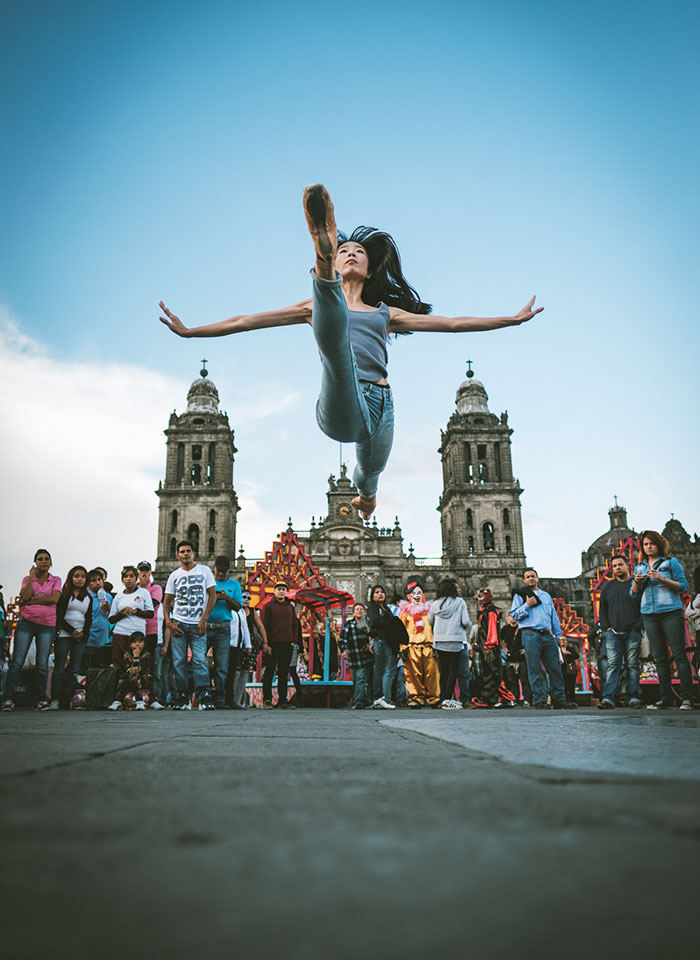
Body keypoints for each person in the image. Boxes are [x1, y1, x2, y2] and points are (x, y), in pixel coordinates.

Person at [159, 184, 543, 519]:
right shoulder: (310, 307)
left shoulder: (386, 313)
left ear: (370, 268)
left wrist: (511, 320)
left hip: (379, 405)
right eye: (343, 250)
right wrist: (191, 332)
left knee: (369, 471)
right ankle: (320, 257)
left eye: (359, 251)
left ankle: (368, 496)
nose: (353, 253)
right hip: (338, 399)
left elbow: (454, 324)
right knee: (337, 347)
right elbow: (246, 321)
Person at [632, 530, 693, 710]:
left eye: (652, 543)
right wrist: (636, 581)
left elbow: (683, 586)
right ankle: (665, 698)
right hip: (648, 613)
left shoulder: (670, 562)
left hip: (670, 611)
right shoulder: (639, 567)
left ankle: (687, 698)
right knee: (659, 658)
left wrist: (661, 578)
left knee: (679, 654)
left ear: (658, 544)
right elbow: (633, 593)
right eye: (645, 544)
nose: (649, 547)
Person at [2, 549, 61, 711]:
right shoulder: (27, 579)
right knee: (17, 661)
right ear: (35, 562)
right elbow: (25, 596)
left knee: (42, 663)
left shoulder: (56, 580)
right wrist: (30, 578)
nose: (43, 561)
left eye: (46, 559)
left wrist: (31, 602)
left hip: (47, 624)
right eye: (40, 559)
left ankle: (40, 700)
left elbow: (54, 599)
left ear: (50, 562)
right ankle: (7, 699)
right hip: (26, 622)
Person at [163, 540, 218, 710]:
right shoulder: (174, 575)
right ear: (177, 555)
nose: (185, 554)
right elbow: (167, 601)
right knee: (179, 662)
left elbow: (212, 596)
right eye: (182, 551)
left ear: (194, 553)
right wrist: (169, 622)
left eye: (188, 551)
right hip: (179, 624)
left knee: (200, 660)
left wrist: (204, 619)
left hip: (198, 625)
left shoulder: (204, 571)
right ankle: (183, 697)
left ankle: (203, 696)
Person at [509, 568, 575, 710]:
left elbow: (553, 616)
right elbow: (514, 615)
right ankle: (540, 699)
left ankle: (559, 699)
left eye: (533, 576)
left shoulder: (546, 596)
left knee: (555, 668)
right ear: (524, 581)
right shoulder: (520, 595)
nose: (531, 579)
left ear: (537, 579)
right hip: (530, 634)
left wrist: (558, 635)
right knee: (534, 668)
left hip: (547, 634)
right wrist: (527, 605)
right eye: (528, 577)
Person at [597, 554, 643, 709]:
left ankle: (634, 697)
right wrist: (606, 627)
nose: (617, 568)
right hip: (613, 632)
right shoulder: (608, 587)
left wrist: (638, 625)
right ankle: (608, 698)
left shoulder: (636, 584)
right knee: (613, 666)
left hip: (633, 631)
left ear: (627, 565)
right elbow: (602, 609)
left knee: (632, 666)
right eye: (614, 566)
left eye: (620, 564)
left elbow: (643, 605)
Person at [50, 565, 93, 710]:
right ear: (71, 578)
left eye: (83, 576)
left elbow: (88, 618)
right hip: (64, 634)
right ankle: (55, 699)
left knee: (75, 668)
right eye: (77, 576)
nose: (80, 579)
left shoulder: (88, 597)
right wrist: (72, 630)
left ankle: (69, 698)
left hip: (80, 636)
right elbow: (59, 616)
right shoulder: (64, 595)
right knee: (59, 668)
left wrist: (83, 633)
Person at [429, 578, 471, 709]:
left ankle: (443, 698)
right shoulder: (460, 602)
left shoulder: (435, 604)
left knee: (444, 671)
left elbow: (430, 621)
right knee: (453, 670)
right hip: (455, 639)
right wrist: (469, 625)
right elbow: (465, 621)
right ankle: (448, 699)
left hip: (440, 640)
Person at [207, 555, 242, 707]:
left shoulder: (235, 585)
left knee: (222, 666)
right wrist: (213, 598)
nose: (220, 574)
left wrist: (227, 598)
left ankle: (220, 699)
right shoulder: (207, 583)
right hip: (205, 627)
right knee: (200, 663)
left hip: (223, 628)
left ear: (229, 570)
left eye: (223, 572)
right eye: (218, 571)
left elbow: (238, 607)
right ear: (213, 568)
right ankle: (203, 695)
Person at [399, 580, 440, 709]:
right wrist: (402, 646)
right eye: (413, 593)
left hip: (429, 645)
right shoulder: (405, 612)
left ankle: (434, 698)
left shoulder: (430, 611)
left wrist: (437, 644)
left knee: (432, 673)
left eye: (419, 593)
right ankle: (416, 698)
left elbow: (436, 627)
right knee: (413, 674)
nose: (416, 595)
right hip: (412, 646)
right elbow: (401, 630)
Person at [259, 581, 298, 709]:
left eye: (283, 589)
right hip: (272, 644)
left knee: (283, 673)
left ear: (286, 592)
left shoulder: (291, 608)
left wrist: (293, 640)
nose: (281, 591)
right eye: (279, 589)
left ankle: (282, 700)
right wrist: (266, 643)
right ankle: (267, 700)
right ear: (274, 591)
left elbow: (295, 625)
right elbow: (264, 626)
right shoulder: (268, 606)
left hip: (287, 644)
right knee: (269, 672)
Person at [109, 566, 154, 672]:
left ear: (136, 578)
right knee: (119, 664)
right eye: (125, 576)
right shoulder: (119, 596)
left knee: (137, 664)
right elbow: (111, 619)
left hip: (137, 634)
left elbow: (150, 613)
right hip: (120, 633)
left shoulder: (143, 593)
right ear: (122, 579)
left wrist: (136, 612)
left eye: (131, 576)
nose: (128, 579)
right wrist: (121, 613)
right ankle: (119, 682)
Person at [471, 588, 506, 709]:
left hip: (489, 647)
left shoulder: (491, 612)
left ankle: (488, 698)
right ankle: (501, 697)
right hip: (485, 646)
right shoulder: (485, 611)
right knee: (489, 671)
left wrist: (489, 646)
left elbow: (492, 629)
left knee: (491, 672)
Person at [108, 632, 163, 710]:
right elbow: (127, 667)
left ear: (144, 643)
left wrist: (136, 657)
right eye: (134, 642)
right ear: (130, 645)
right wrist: (132, 668)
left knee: (139, 676)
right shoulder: (127, 655)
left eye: (140, 642)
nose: (137, 644)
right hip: (130, 677)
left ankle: (145, 700)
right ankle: (117, 700)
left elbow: (142, 669)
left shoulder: (147, 655)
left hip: (144, 677)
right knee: (123, 677)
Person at [367, 584, 398, 709]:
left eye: (382, 592)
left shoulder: (385, 608)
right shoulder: (373, 607)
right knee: (380, 669)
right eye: (377, 592)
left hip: (387, 640)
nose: (380, 594)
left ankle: (384, 698)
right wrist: (389, 624)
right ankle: (379, 697)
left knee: (387, 670)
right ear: (372, 595)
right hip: (379, 640)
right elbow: (375, 621)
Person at [339, 603, 375, 709]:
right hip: (353, 658)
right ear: (353, 613)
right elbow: (342, 640)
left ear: (364, 612)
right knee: (356, 681)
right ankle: (366, 701)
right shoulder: (349, 625)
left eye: (361, 609)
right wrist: (344, 651)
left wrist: (371, 644)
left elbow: (374, 636)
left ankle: (358, 702)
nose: (359, 611)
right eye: (357, 609)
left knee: (361, 679)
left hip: (365, 658)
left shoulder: (368, 623)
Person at [85, 568, 113, 669]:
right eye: (93, 580)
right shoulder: (85, 597)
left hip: (104, 640)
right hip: (89, 640)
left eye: (99, 580)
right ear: (88, 584)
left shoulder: (108, 597)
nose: (97, 583)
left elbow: (113, 617)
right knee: (87, 669)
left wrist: (110, 608)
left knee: (101, 669)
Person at [137, 562, 163, 659]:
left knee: (148, 660)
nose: (144, 573)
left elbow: (151, 605)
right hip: (135, 628)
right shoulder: (133, 588)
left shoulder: (156, 588)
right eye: (141, 570)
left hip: (150, 630)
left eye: (146, 570)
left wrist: (142, 590)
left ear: (150, 573)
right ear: (137, 572)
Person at [558, 637, 580, 705]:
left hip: (570, 669)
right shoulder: (557, 649)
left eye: (564, 640)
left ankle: (572, 699)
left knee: (571, 685)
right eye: (561, 640)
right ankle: (564, 699)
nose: (563, 641)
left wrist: (569, 654)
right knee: (563, 685)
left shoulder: (570, 648)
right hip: (561, 669)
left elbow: (576, 656)